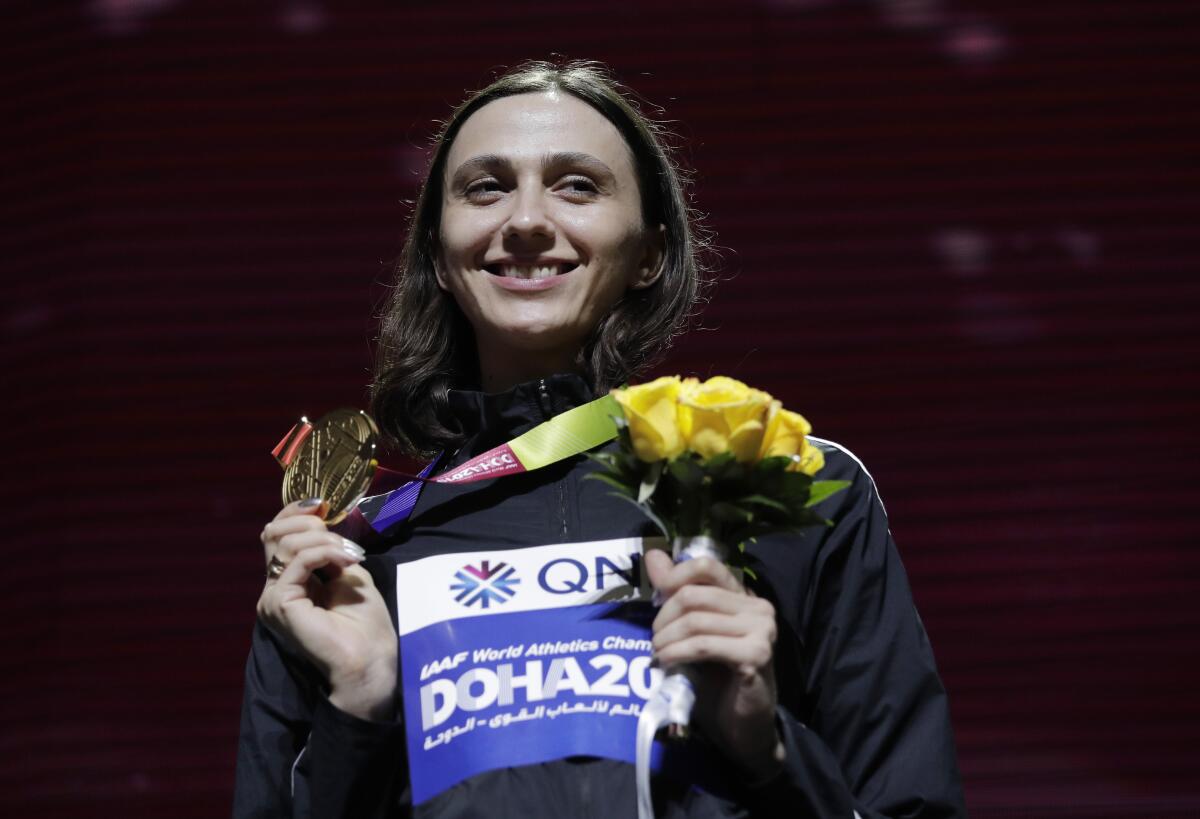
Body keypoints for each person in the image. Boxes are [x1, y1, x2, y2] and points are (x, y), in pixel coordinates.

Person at [233, 60, 967, 818]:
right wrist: (360, 706)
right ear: (441, 259)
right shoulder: (345, 562)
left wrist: (765, 749)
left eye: (577, 185)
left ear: (649, 252)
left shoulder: (784, 485)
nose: (524, 220)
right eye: (486, 187)